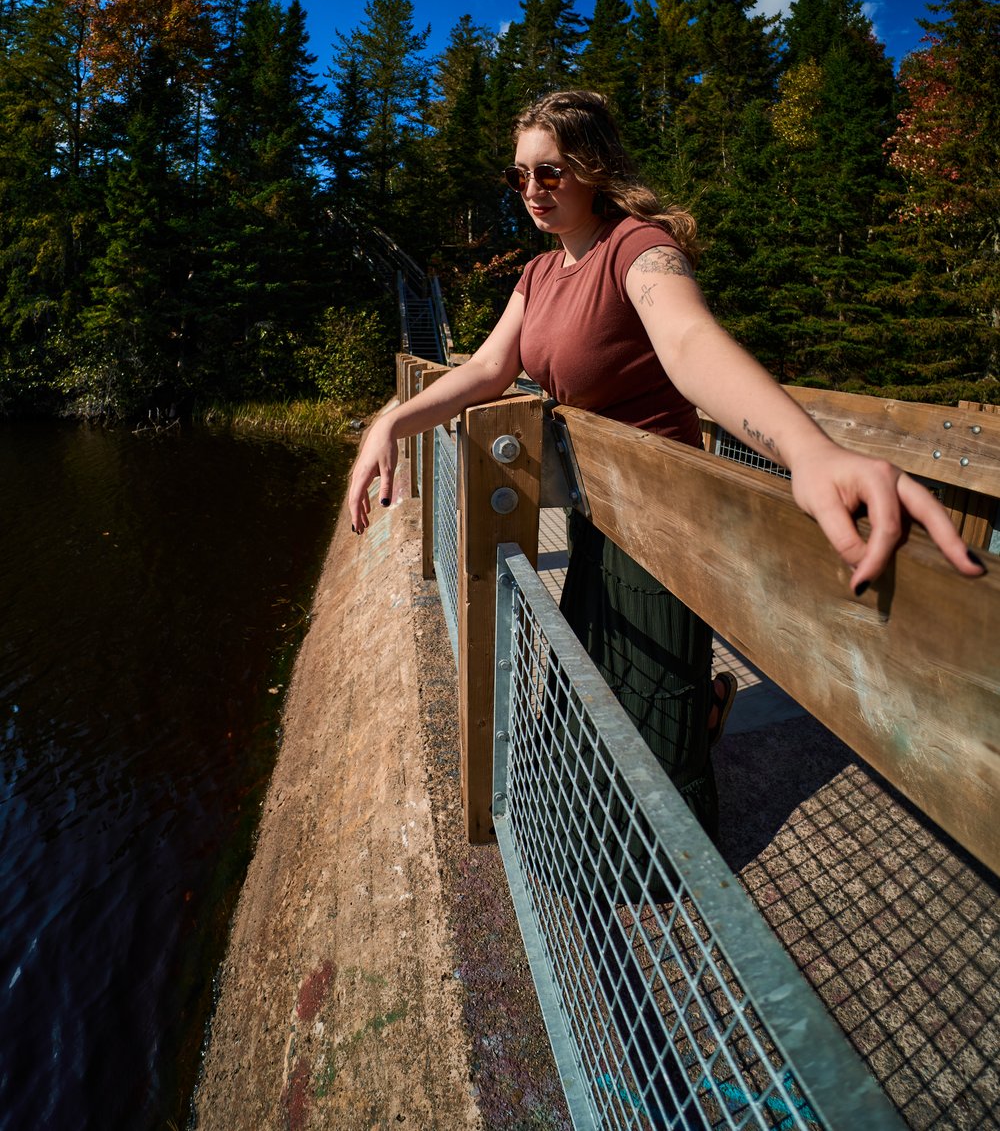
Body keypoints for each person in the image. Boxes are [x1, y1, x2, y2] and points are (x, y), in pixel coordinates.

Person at [350, 89, 983, 810]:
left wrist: (808, 451)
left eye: (549, 171)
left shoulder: (640, 247)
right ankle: (699, 711)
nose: (531, 189)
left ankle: (690, 782)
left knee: (655, 739)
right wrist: (392, 422)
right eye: (518, 175)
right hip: (598, 507)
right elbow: (487, 370)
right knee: (590, 693)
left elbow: (688, 341)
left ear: (592, 166)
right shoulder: (537, 273)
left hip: (664, 517)